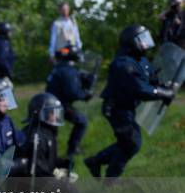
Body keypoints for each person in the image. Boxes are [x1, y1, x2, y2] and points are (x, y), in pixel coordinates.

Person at [84, 25, 174, 179]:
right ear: (132, 43)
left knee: (129, 143)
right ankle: (110, 178)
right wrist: (161, 93)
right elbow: (139, 88)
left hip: (127, 107)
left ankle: (96, 162)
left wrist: (162, 85)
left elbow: (149, 78)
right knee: (132, 143)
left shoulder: (140, 59)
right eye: (142, 39)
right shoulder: (123, 64)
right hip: (116, 109)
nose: (146, 43)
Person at [46, 44, 93, 157]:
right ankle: (71, 150)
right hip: (58, 105)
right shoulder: (68, 70)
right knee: (81, 122)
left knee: (52, 131)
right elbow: (72, 93)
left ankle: (53, 154)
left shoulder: (59, 68)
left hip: (51, 103)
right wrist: (85, 95)